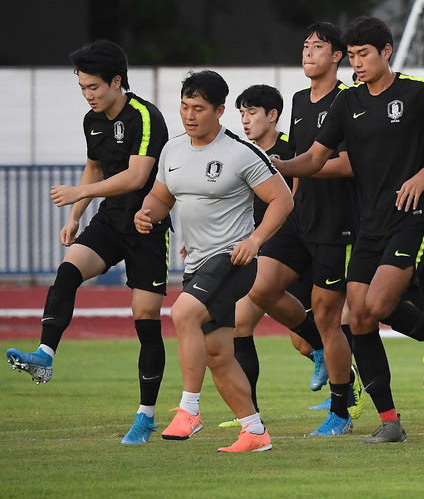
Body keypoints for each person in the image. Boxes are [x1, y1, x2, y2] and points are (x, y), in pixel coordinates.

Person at [276, 16, 424, 443]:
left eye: (364, 55)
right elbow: (316, 158)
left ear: (387, 52)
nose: (357, 63)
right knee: (358, 318)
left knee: (376, 305)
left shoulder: (418, 92)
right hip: (369, 224)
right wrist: (277, 165)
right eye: (354, 56)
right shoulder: (347, 103)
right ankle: (390, 422)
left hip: (412, 219)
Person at [6, 40, 171, 445]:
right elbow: (94, 165)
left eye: (94, 87)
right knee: (67, 271)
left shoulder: (145, 117)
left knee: (145, 322)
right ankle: (45, 355)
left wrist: (79, 195)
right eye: (82, 88)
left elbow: (136, 177)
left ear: (117, 81)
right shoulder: (91, 121)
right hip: (110, 220)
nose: (88, 95)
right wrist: (75, 218)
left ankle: (146, 416)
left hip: (147, 225)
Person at [135, 69, 293, 452]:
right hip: (197, 264)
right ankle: (255, 432)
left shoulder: (240, 151)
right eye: (185, 106)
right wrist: (146, 212)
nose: (190, 115)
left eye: (199, 108)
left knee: (183, 313)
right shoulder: (172, 149)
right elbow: (162, 198)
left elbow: (282, 199)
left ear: (220, 110)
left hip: (233, 259)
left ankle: (189, 410)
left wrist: (255, 240)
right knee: (220, 355)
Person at [241, 23, 361, 437]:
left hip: (337, 222)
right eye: (305, 46)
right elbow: (298, 165)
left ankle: (342, 412)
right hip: (299, 218)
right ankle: (323, 355)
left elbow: (346, 163)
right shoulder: (297, 99)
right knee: (261, 288)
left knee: (332, 318)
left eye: (318, 46)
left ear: (337, 56)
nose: (308, 52)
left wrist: (290, 166)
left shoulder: (348, 99)